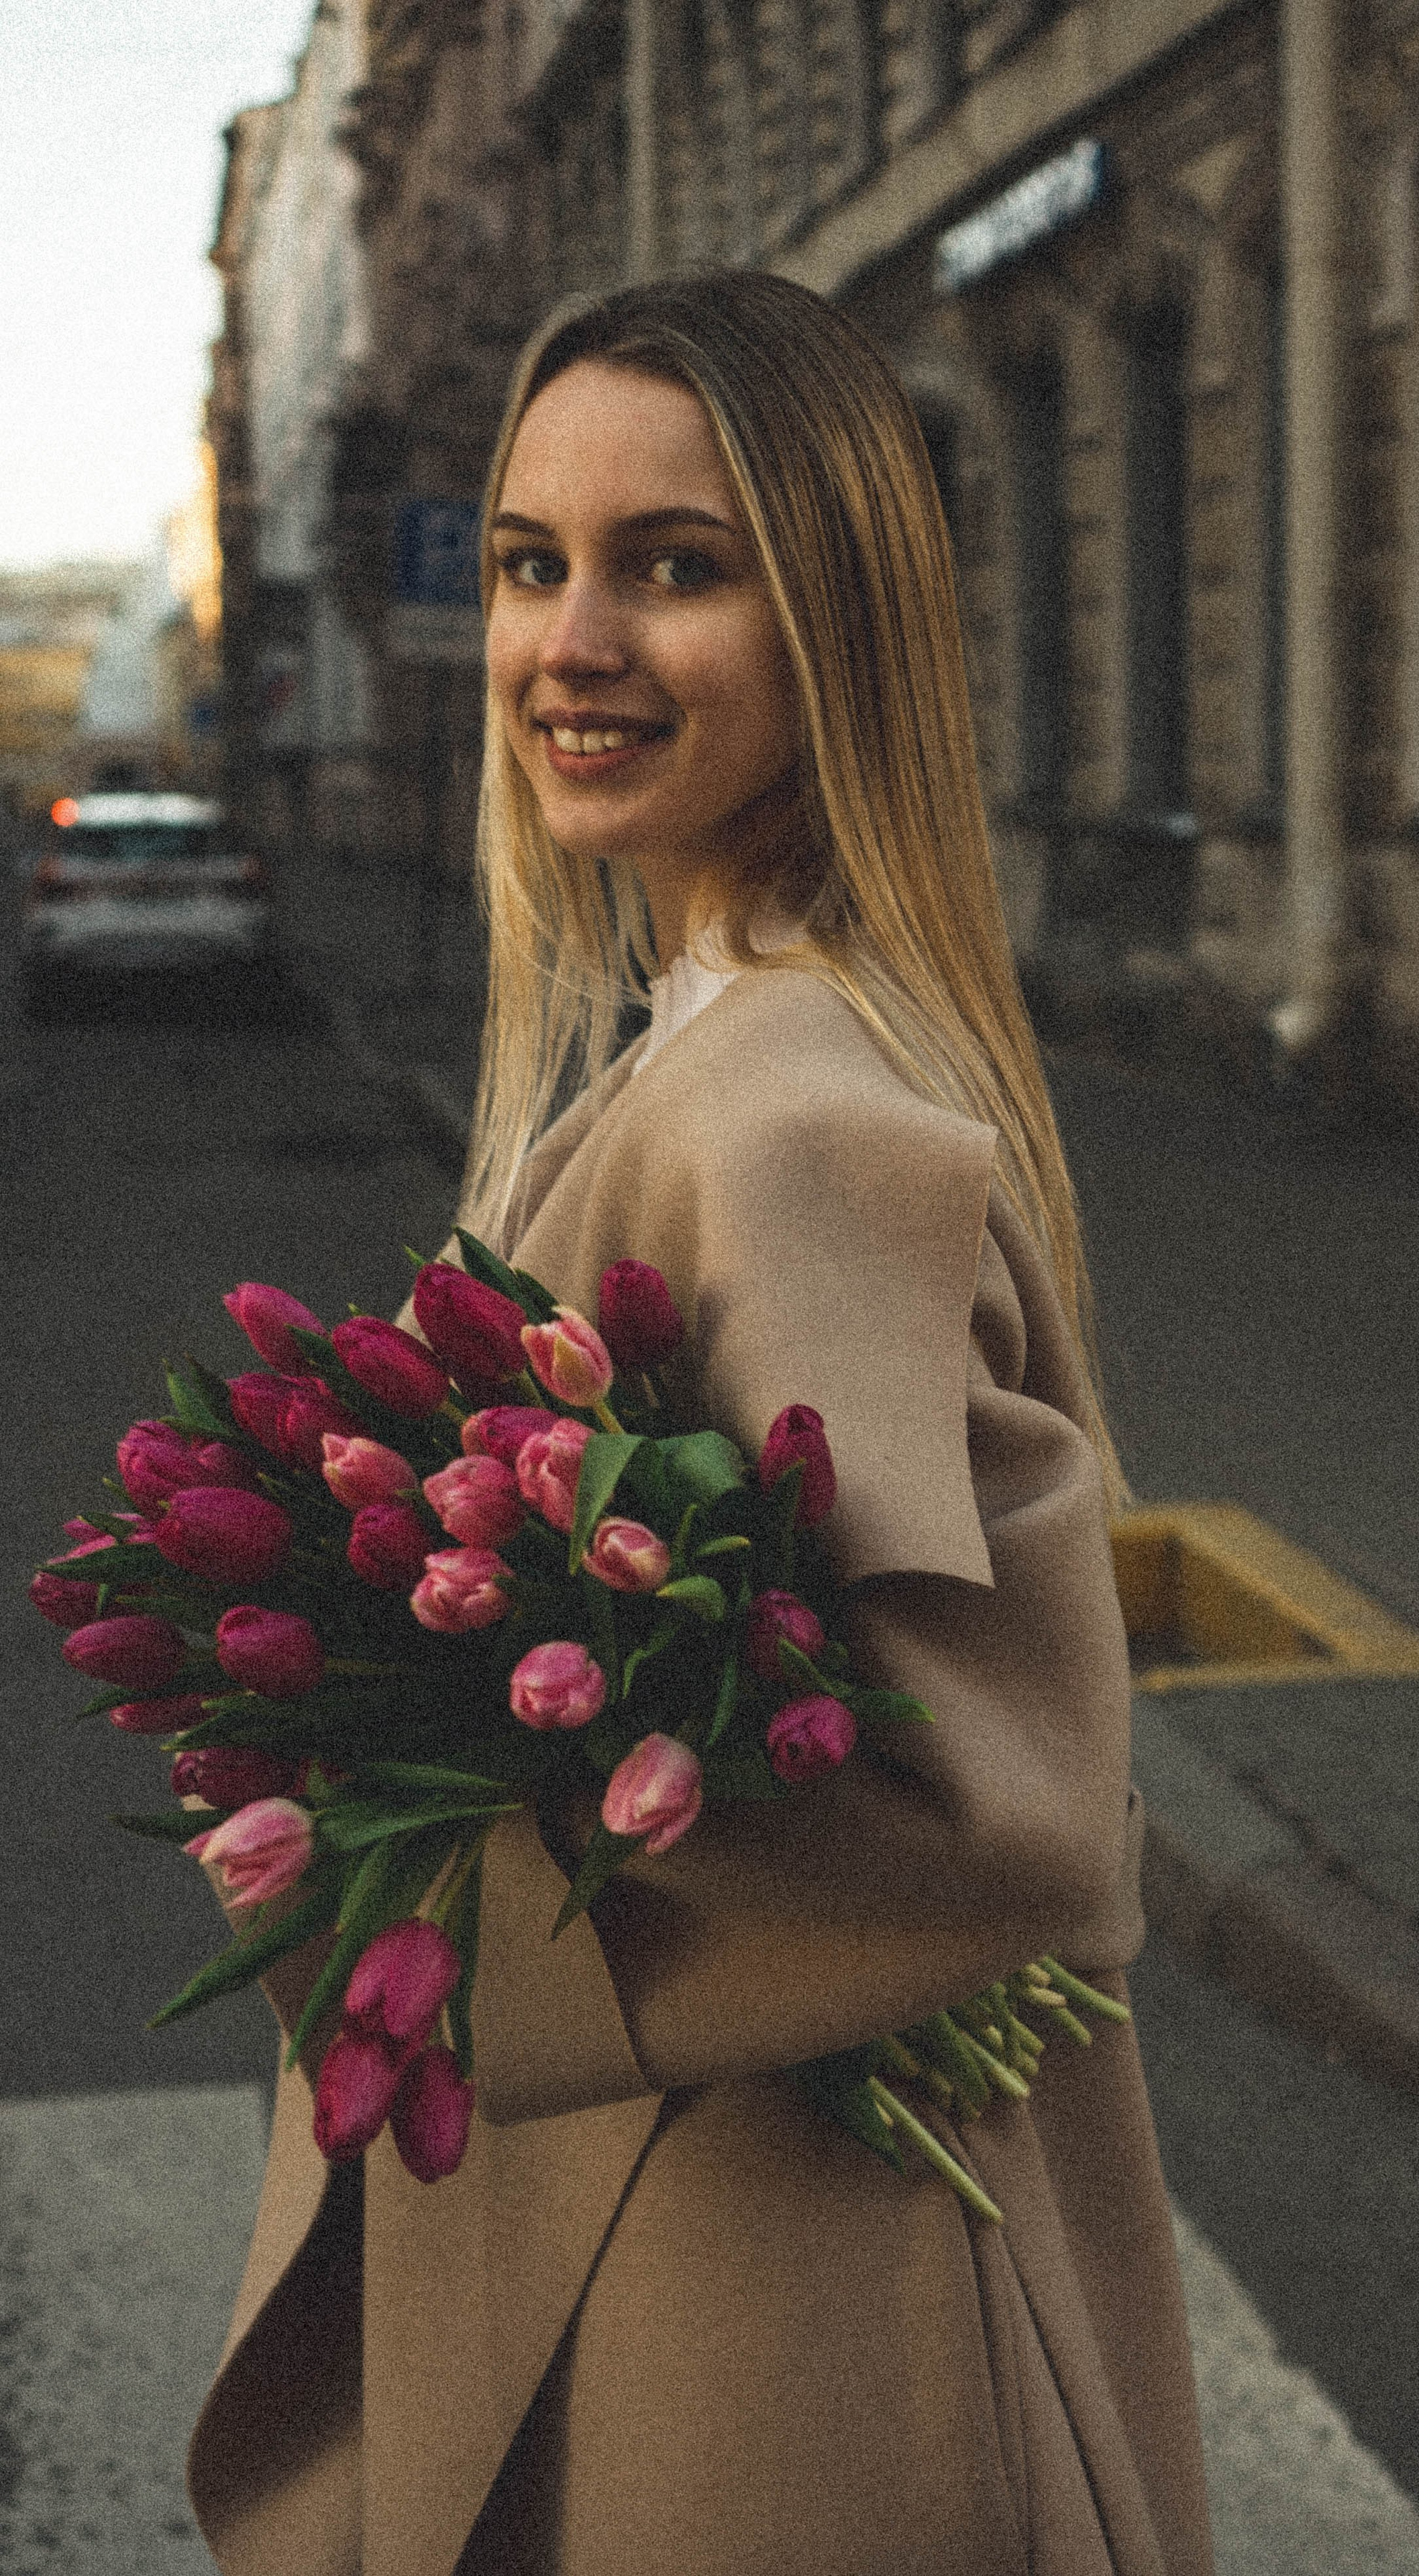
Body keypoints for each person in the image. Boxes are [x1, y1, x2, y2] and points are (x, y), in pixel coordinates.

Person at [187, 270, 1214, 2576]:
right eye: (538, 562)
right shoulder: (729, 1031)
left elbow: (985, 1808)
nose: (570, 643)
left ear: (840, 611)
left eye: (679, 564)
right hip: (723, 2232)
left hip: (754, 2299)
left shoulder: (783, 1109)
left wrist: (402, 1884)